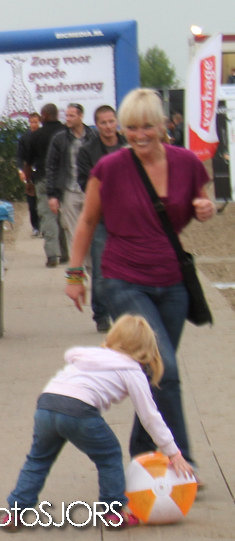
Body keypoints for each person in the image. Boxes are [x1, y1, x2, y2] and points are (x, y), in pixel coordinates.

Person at [64, 88, 214, 465]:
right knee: (166, 370)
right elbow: (87, 221)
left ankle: (143, 453)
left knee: (154, 374)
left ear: (163, 126)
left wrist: (204, 208)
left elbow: (199, 202)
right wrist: (75, 275)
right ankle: (182, 462)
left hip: (173, 283)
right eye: (131, 128)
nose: (139, 135)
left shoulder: (186, 162)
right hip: (123, 279)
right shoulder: (110, 168)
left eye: (147, 126)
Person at [2, 314, 193, 529]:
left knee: (38, 459)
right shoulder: (131, 369)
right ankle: (113, 512)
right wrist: (173, 452)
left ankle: (15, 512)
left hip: (46, 404)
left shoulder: (90, 356)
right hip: (78, 411)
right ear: (145, 347)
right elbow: (149, 416)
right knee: (109, 455)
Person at [77, 105, 127, 332]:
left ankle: (125, 312)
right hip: (101, 218)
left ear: (117, 121)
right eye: (103, 123)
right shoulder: (88, 151)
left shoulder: (129, 146)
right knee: (101, 269)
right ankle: (101, 313)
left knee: (128, 268)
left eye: (111, 121)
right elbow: (84, 182)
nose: (108, 127)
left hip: (129, 217)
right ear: (97, 125)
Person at [45, 103, 96, 264]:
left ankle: (91, 268)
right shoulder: (60, 139)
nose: (67, 119)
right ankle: (78, 270)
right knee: (74, 234)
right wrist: (52, 195)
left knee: (93, 233)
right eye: (66, 115)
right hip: (69, 190)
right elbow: (51, 167)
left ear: (81, 116)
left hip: (90, 191)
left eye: (71, 116)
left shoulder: (93, 137)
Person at [25, 104, 68, 265]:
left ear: (45, 115)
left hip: (43, 178)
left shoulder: (36, 136)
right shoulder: (66, 133)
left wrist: (29, 182)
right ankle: (65, 252)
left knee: (48, 216)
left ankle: (52, 255)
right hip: (65, 179)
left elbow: (28, 162)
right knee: (64, 216)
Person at [15, 113, 44, 237]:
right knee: (32, 203)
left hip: (42, 173)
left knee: (43, 202)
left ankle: (44, 226)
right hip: (29, 173)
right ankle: (35, 226)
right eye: (32, 122)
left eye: (36, 122)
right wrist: (21, 171)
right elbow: (19, 156)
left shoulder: (44, 137)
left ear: (40, 122)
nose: (34, 125)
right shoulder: (24, 138)